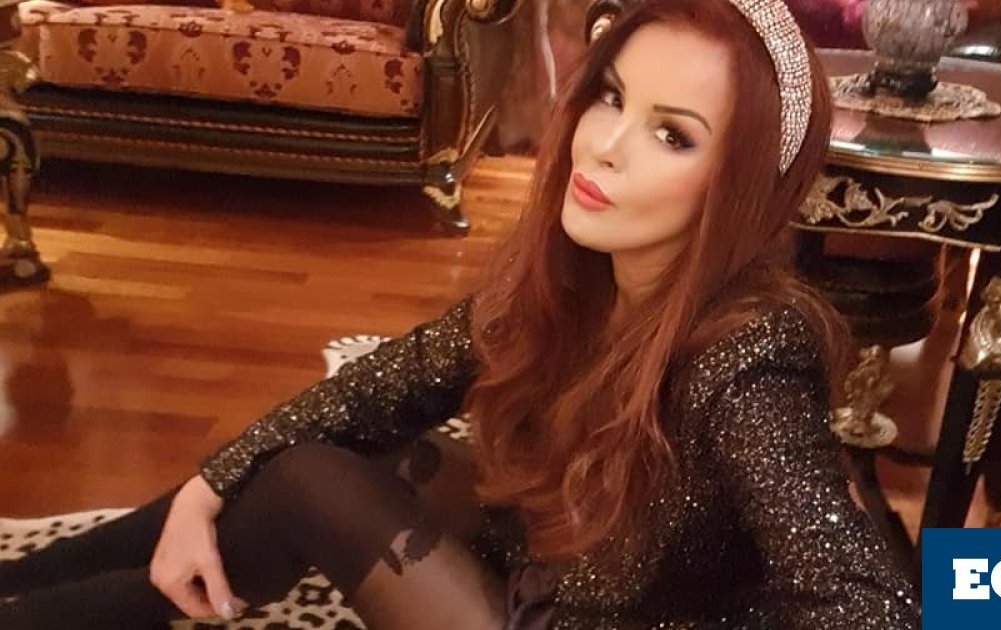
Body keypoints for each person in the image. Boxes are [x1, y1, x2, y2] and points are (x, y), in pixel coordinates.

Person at [0, 0, 921, 627]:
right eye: (611, 97)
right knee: (358, 440)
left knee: (309, 481)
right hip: (576, 563)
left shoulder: (752, 350)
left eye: (672, 134)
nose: (604, 145)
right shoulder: (583, 274)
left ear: (739, 186)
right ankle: (37, 591)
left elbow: (872, 607)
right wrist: (207, 488)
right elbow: (382, 383)